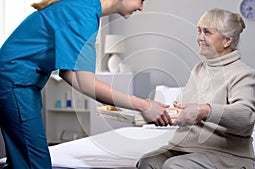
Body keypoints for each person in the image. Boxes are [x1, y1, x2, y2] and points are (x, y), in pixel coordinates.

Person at [0, 0, 173, 168]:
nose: (141, 7)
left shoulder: (84, 8)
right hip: (15, 83)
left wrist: (128, 104)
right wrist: (144, 105)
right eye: (141, 0)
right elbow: (86, 83)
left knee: (21, 159)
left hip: (17, 82)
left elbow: (69, 74)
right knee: (35, 163)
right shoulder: (84, 14)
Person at [137, 8, 255, 169]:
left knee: (174, 166)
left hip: (225, 154)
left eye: (207, 32)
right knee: (148, 161)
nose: (199, 38)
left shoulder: (243, 73)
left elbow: (246, 116)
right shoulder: (199, 69)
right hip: (183, 148)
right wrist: (159, 111)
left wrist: (205, 111)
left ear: (227, 40)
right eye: (199, 31)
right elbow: (183, 109)